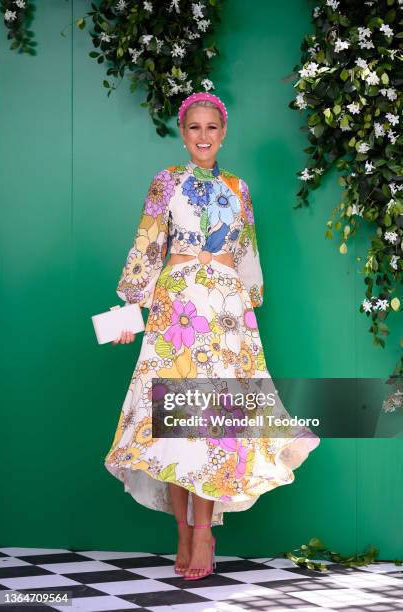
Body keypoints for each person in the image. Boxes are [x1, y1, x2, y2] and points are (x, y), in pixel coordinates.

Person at [104, 92, 320, 581]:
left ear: (224, 134)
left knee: (212, 422)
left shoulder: (238, 189)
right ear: (184, 133)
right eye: (195, 127)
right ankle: (182, 531)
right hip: (175, 307)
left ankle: (204, 532)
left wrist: (245, 310)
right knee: (175, 422)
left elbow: (246, 257)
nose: (203, 136)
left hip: (224, 312)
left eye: (212, 128)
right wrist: (128, 311)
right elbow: (147, 245)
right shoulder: (166, 183)